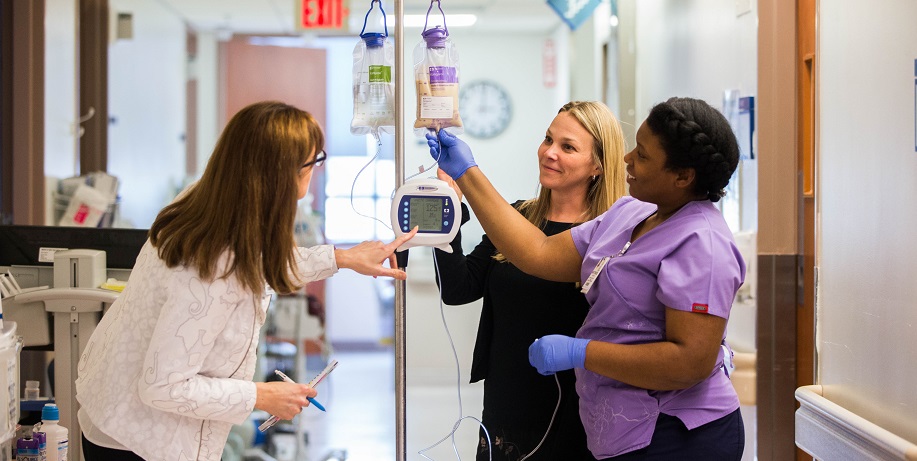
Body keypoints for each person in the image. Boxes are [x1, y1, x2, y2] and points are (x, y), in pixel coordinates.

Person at [75, 101, 417, 461]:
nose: (316, 170)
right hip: (140, 441)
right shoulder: (215, 266)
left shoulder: (208, 201)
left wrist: (341, 258)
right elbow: (164, 386)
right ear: (283, 175)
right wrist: (262, 396)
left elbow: (260, 263)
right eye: (314, 162)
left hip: (117, 415)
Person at [426, 97, 745, 460]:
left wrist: (582, 352)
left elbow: (690, 363)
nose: (627, 159)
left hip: (678, 434)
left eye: (641, 155)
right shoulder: (630, 215)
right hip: (613, 425)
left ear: (683, 176)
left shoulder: (702, 243)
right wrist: (467, 173)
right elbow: (538, 252)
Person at [432, 101, 627, 461]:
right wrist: (448, 217)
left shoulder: (610, 234)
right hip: (507, 399)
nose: (549, 153)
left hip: (578, 403)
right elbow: (458, 289)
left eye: (567, 147)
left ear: (598, 165)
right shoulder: (518, 217)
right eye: (548, 139)